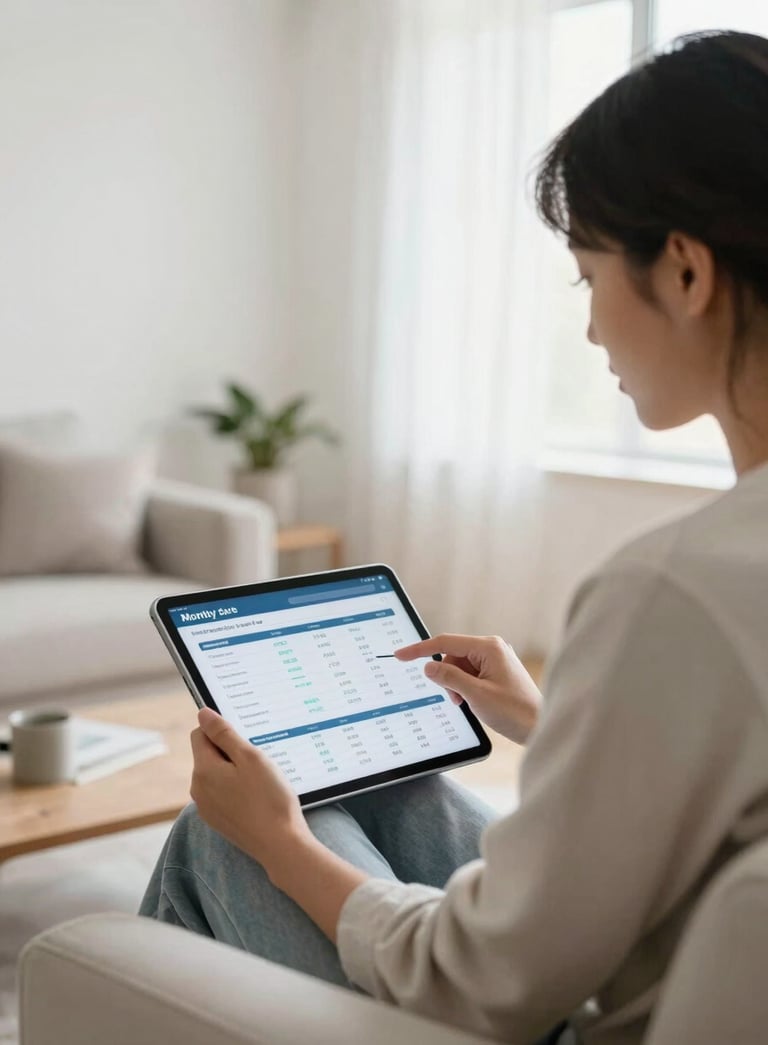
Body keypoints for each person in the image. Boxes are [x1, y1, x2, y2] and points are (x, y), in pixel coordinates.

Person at [140, 30, 768, 1045]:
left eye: (588, 276)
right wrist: (555, 711)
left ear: (687, 273)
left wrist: (278, 841)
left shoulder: (674, 590)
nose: (594, 327)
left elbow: (477, 985)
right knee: (401, 795)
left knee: (221, 842)